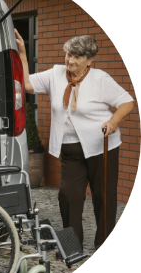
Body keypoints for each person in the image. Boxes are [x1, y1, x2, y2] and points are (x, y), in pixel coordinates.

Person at [14, 29, 134, 251]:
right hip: (70, 149)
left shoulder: (100, 79)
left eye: (77, 57)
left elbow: (127, 102)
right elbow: (27, 84)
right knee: (68, 196)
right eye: (68, 54)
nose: (70, 60)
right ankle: (72, 245)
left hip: (102, 145)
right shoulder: (55, 74)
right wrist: (22, 51)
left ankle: (103, 241)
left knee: (103, 196)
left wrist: (114, 121)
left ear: (89, 61)